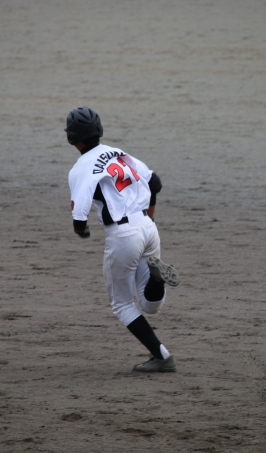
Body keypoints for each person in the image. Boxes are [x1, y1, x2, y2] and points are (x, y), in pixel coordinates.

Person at [65, 106, 180, 372]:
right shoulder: (120, 153)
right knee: (150, 305)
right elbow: (155, 183)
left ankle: (163, 358)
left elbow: (79, 213)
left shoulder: (81, 167)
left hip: (123, 235)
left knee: (122, 305)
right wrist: (150, 218)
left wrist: (81, 230)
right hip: (148, 228)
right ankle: (156, 279)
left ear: (72, 138)